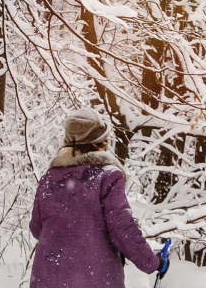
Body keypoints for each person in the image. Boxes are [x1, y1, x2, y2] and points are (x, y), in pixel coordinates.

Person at [29, 108, 168, 288]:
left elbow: (37, 228)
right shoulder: (107, 176)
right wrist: (153, 263)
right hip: (95, 280)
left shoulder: (49, 178)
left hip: (47, 279)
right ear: (99, 143)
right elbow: (122, 229)